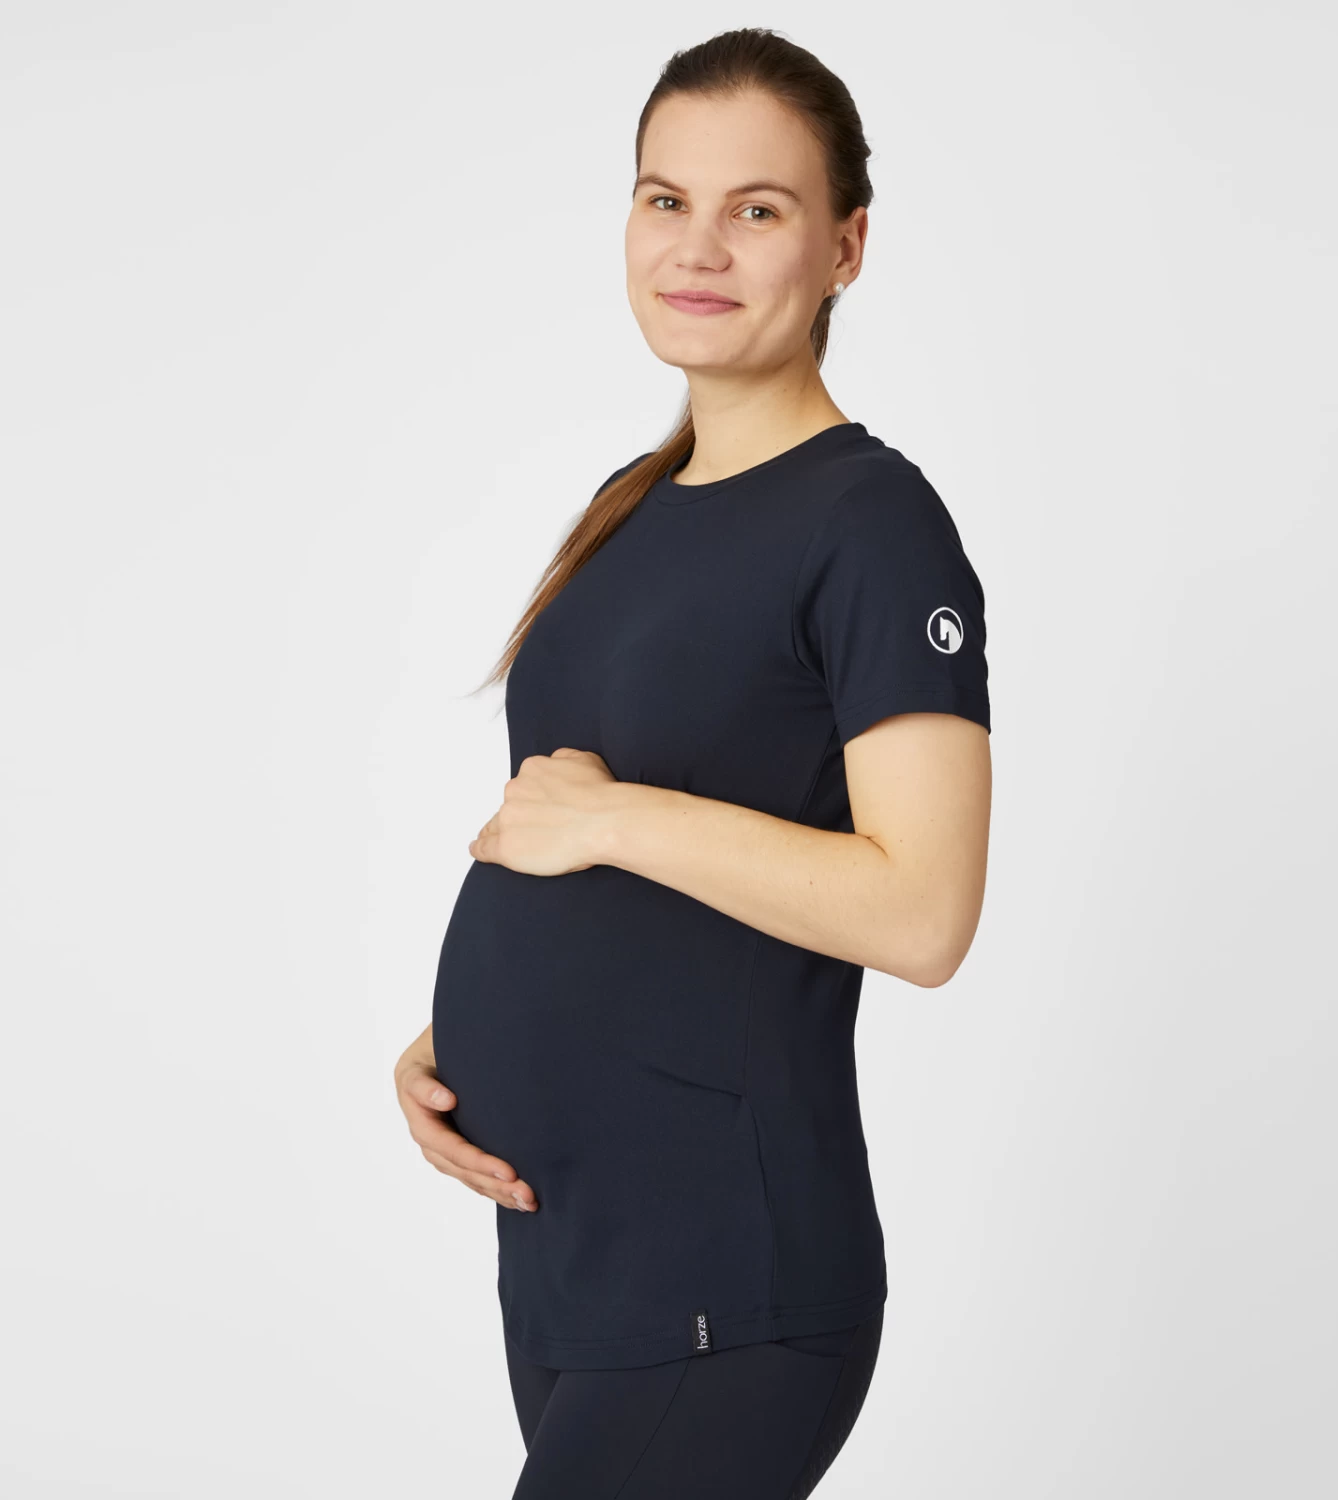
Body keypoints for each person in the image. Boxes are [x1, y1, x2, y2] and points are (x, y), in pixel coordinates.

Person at [393, 27, 992, 1498]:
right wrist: (454, 1050)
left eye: (757, 208)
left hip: (726, 1274)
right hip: (571, 1261)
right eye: (666, 199)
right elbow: (592, 876)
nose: (698, 247)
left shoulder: (873, 524)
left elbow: (925, 913)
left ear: (846, 247)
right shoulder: (630, 504)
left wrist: (618, 821)